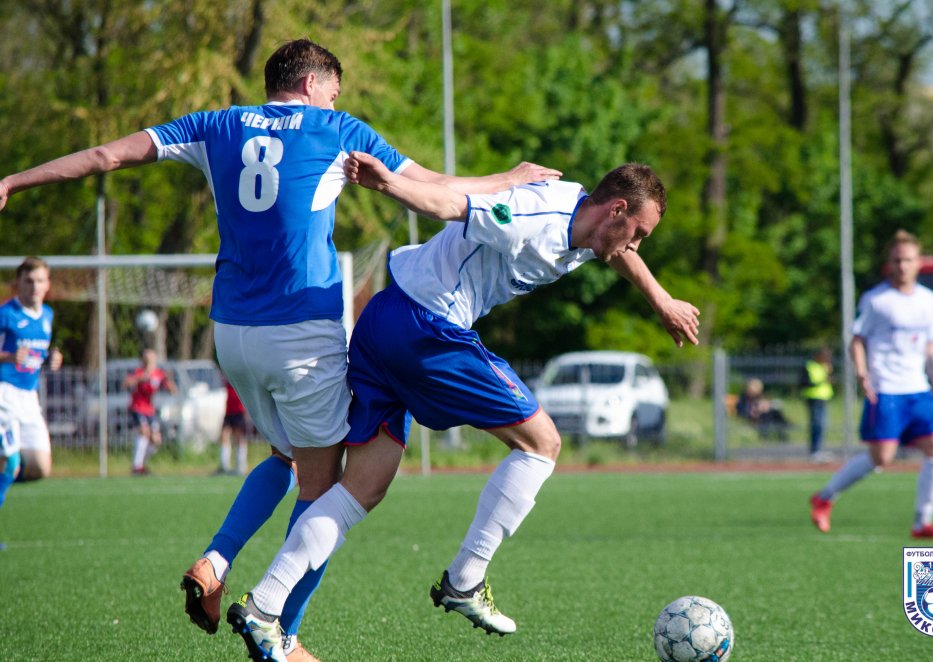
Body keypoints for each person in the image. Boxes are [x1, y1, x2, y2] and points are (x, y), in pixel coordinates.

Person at [0, 39, 558, 660]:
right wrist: (509, 180)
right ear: (313, 83)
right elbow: (433, 185)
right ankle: (281, 636)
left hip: (233, 334)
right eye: (334, 92)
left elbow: (106, 155)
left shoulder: (214, 125)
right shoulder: (337, 130)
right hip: (300, 336)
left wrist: (14, 180)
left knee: (284, 454)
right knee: (327, 491)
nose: (336, 102)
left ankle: (216, 560)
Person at [224, 155, 701, 660]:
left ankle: (264, 604)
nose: (635, 246)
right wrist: (388, 183)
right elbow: (451, 205)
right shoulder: (532, 219)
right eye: (638, 233)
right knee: (542, 443)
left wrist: (661, 299)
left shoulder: (589, 222)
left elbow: (617, 251)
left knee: (361, 489)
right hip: (427, 329)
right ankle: (466, 578)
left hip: (385, 318)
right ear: (617, 210)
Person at [810, 230, 933, 541]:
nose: (902, 266)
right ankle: (824, 497)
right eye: (896, 260)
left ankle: (922, 522)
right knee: (882, 458)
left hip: (918, 388)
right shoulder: (876, 300)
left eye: (908, 260)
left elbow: (930, 346)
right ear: (888, 264)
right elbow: (857, 339)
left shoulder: (929, 301)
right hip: (887, 388)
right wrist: (862, 373)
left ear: (919, 262)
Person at [0, 257, 63, 549]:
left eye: (39, 280)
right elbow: (11, 355)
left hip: (29, 397)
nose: (34, 286)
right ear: (18, 283)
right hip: (4, 394)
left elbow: (40, 355)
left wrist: (52, 360)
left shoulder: (47, 315)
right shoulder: (6, 314)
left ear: (47, 284)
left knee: (40, 466)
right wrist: (9, 357)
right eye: (29, 281)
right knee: (11, 464)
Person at [124, 347, 177, 475]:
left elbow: (172, 390)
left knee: (156, 440)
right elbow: (126, 383)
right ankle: (137, 467)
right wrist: (140, 378)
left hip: (149, 410)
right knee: (144, 432)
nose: (150, 362)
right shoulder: (139, 372)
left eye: (152, 359)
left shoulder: (158, 374)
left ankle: (140, 464)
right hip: (137, 407)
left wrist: (168, 380)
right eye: (147, 359)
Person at [801, 347, 834, 461]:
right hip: (813, 399)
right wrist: (822, 381)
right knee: (817, 425)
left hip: (823, 399)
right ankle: (815, 450)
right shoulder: (809, 366)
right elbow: (804, 383)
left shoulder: (825, 367)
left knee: (822, 425)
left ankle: (819, 449)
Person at [218, 378, 249, 475]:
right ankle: (224, 466)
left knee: (239, 438)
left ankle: (240, 466)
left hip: (239, 411)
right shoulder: (228, 377)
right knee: (224, 436)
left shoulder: (241, 378)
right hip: (229, 411)